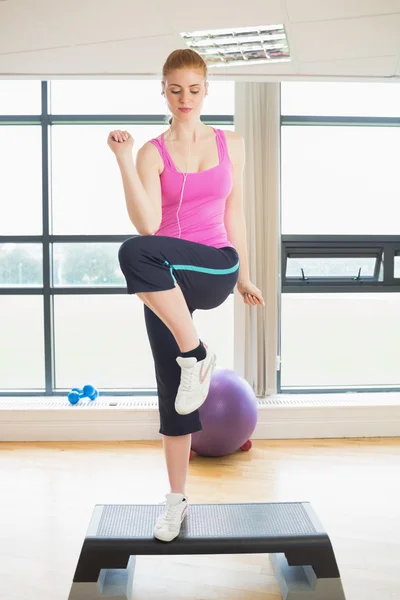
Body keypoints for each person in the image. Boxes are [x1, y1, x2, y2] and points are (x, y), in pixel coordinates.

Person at [107, 48, 264, 542]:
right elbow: (149, 225)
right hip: (168, 281)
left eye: (194, 89)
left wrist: (244, 275)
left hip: (215, 264)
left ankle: (196, 351)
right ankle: (175, 501)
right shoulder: (152, 151)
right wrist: (124, 161)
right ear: (163, 89)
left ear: (206, 90)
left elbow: (234, 213)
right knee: (173, 392)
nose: (184, 98)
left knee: (135, 253)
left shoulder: (230, 144)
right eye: (175, 89)